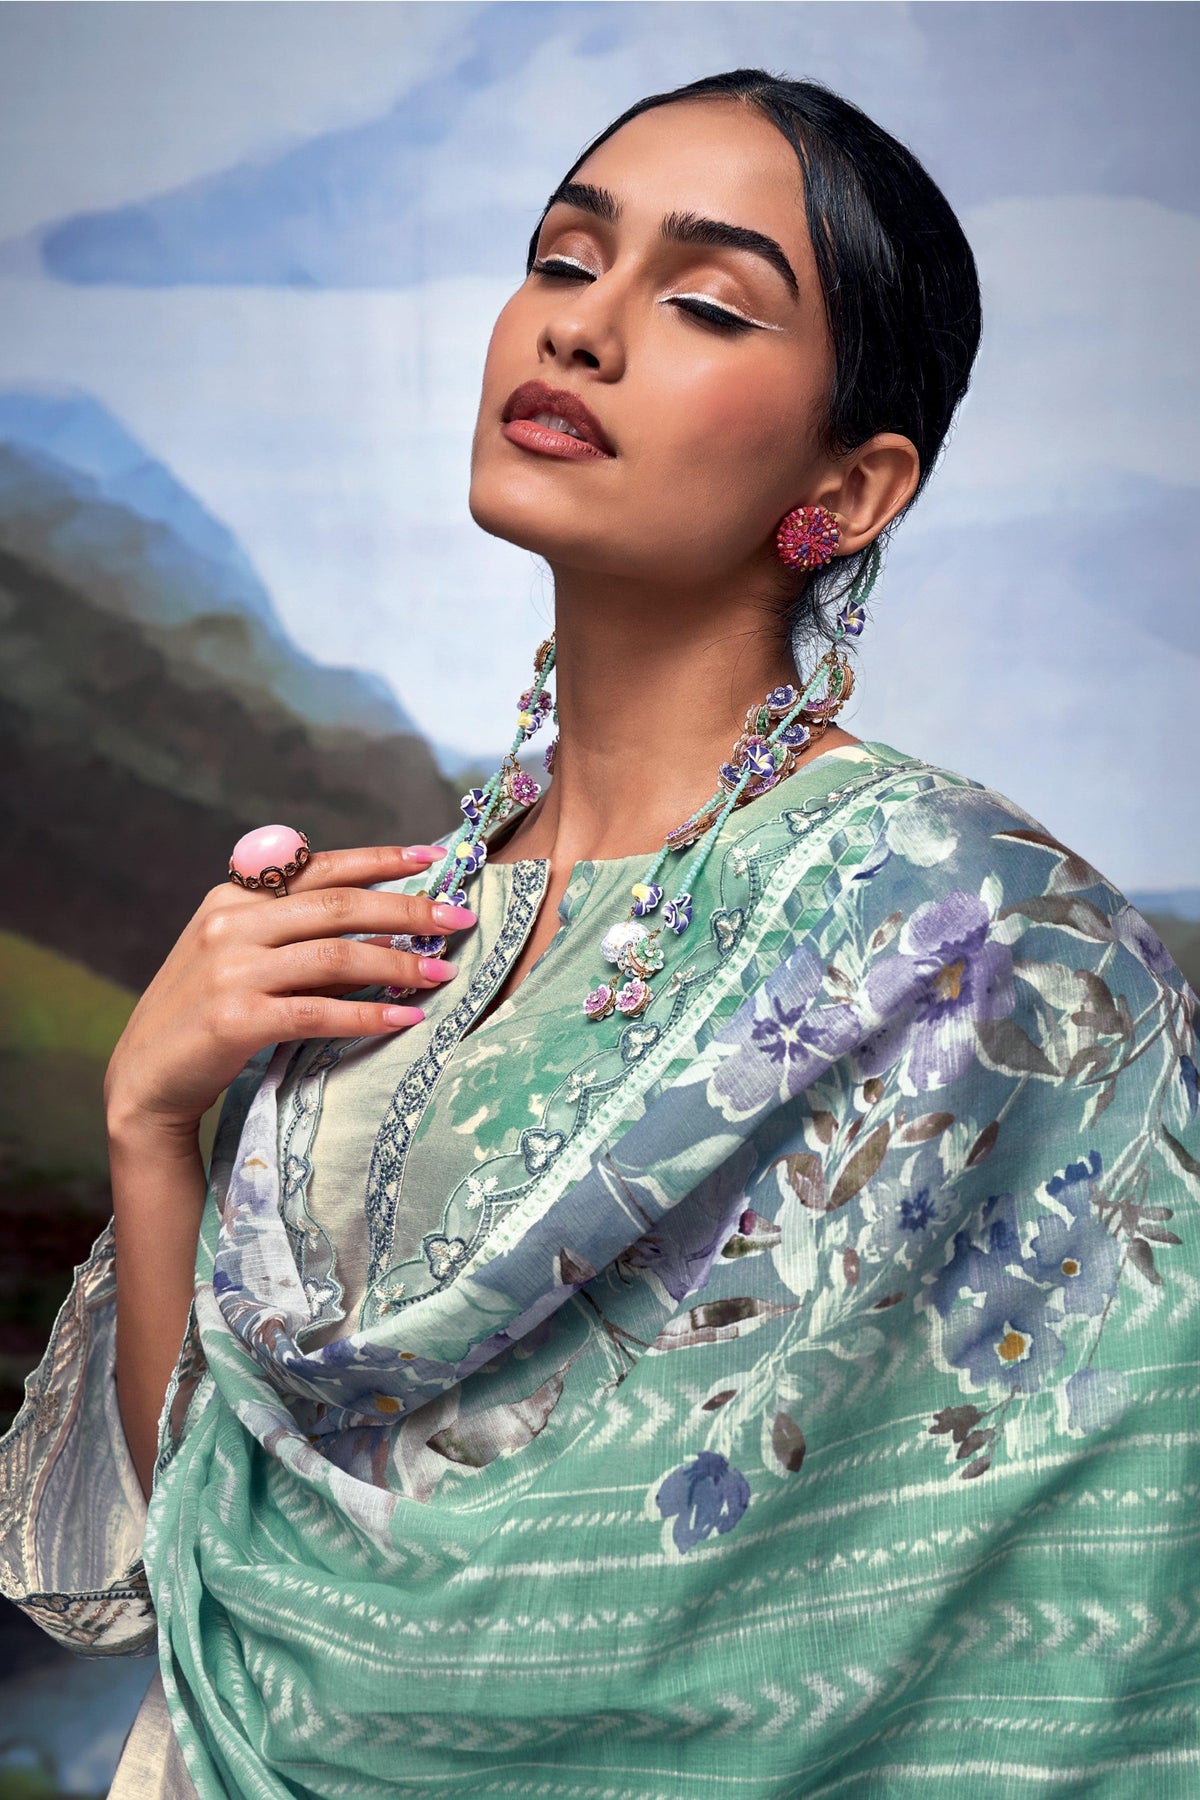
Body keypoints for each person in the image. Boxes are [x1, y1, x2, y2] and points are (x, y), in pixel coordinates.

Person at [2, 68, 1198, 1799]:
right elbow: (197, 1549)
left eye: (707, 301)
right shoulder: (385, 923)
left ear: (854, 484)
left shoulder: (978, 942)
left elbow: (1100, 1573)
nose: (582, 327)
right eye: (564, 260)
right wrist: (150, 1120)